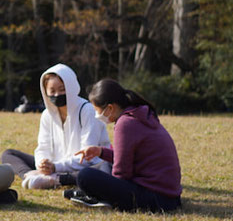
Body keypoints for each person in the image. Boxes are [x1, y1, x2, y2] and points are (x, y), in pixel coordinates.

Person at [69, 79, 182, 212]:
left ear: (110, 108)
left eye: (97, 110)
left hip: (157, 199)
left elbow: (122, 174)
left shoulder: (125, 124)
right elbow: (126, 158)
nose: (97, 115)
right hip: (170, 198)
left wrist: (105, 188)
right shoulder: (138, 114)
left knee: (85, 176)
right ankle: (88, 193)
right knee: (105, 165)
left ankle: (95, 196)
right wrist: (100, 152)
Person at [0, 64, 111, 189]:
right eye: (52, 91)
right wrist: (43, 164)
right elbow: (43, 147)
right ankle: (30, 175)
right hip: (55, 166)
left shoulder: (87, 110)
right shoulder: (47, 115)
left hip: (85, 166)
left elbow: (86, 157)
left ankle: (55, 179)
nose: (57, 94)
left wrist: (55, 167)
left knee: (92, 172)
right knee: (8, 154)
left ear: (71, 87)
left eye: (62, 89)